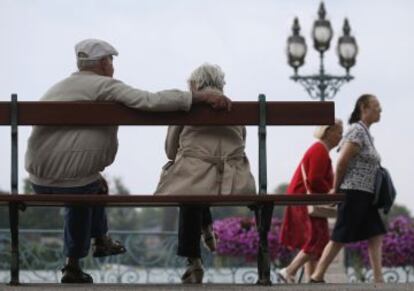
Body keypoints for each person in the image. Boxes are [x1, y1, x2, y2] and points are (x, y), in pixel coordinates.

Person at [24, 39, 231, 284]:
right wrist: (198, 98)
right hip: (75, 183)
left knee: (93, 187)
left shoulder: (57, 88)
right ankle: (83, 255)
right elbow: (151, 101)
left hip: (37, 179)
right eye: (111, 60)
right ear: (103, 63)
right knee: (83, 192)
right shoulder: (105, 86)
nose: (113, 66)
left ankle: (95, 246)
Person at [154, 63, 256, 284]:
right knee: (201, 182)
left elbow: (171, 150)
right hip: (232, 183)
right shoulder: (237, 110)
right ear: (221, 85)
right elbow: (241, 146)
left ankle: (194, 263)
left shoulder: (186, 108)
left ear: (195, 85)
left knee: (190, 190)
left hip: (194, 182)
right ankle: (206, 228)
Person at [310, 94, 386, 283]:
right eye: (376, 106)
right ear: (364, 108)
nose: (380, 110)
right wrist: (335, 190)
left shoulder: (366, 133)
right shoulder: (356, 131)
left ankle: (378, 278)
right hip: (353, 191)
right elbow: (342, 162)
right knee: (340, 236)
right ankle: (317, 275)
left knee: (376, 232)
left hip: (366, 193)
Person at [278, 119, 343, 283]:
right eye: (339, 132)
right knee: (318, 239)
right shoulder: (319, 150)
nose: (341, 136)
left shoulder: (319, 150)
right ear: (328, 132)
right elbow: (314, 179)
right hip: (305, 199)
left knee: (314, 238)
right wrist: (329, 191)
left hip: (303, 198)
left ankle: (310, 279)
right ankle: (289, 271)